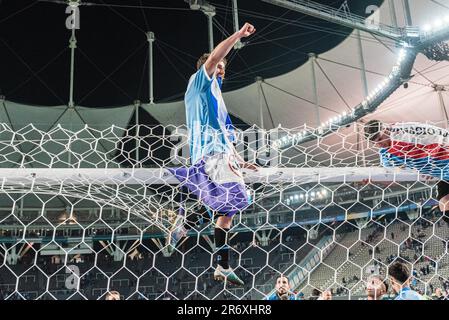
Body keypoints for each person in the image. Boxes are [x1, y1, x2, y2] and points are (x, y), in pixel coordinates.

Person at [167, 22, 257, 286]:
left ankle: (222, 265)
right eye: (218, 66)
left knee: (227, 213)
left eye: (223, 69)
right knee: (237, 198)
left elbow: (226, 136)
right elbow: (216, 56)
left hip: (222, 155)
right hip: (212, 154)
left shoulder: (218, 101)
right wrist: (239, 35)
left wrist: (241, 161)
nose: (221, 70)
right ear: (206, 68)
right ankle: (184, 219)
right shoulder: (198, 83)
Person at [364, 120, 449, 222]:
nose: (379, 144)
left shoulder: (406, 132)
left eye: (380, 139)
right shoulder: (386, 155)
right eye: (375, 142)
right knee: (444, 204)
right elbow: (394, 180)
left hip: (444, 164)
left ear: (385, 129)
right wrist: (372, 180)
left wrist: (429, 164)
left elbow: (440, 137)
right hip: (442, 173)